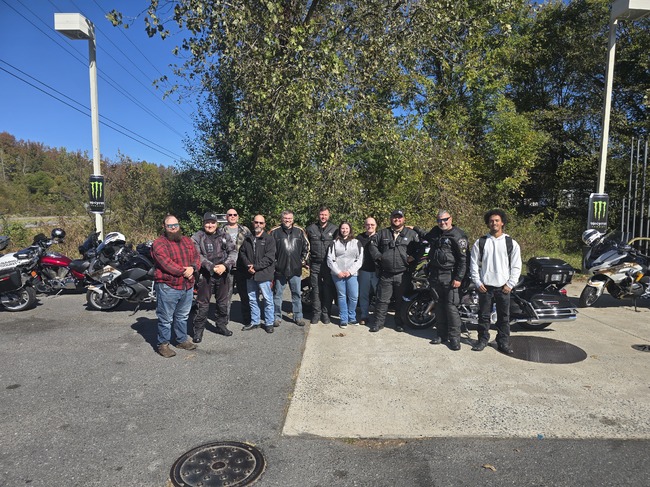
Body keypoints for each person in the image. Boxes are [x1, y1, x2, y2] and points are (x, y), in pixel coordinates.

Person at [469, 208, 522, 354]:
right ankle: (482, 340)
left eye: (497, 220)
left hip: (503, 287)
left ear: (502, 222)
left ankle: (503, 342)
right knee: (483, 316)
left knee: (504, 317)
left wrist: (510, 284)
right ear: (488, 223)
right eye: (491, 221)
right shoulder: (481, 242)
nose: (494, 223)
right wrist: (478, 282)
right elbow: (473, 264)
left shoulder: (511, 243)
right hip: (485, 287)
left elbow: (516, 265)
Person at [151, 215, 201, 358]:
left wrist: (193, 268)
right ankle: (163, 344)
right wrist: (185, 271)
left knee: (182, 316)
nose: (173, 228)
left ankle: (181, 340)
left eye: (176, 225)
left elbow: (197, 257)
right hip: (168, 286)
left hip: (187, 285)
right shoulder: (159, 243)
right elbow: (166, 263)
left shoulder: (187, 240)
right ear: (164, 227)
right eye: (170, 226)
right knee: (166, 318)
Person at [422, 210, 469, 351]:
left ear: (451, 219)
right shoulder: (436, 232)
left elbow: (463, 260)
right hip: (435, 274)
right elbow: (425, 235)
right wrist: (414, 228)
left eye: (445, 219)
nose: (442, 222)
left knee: (451, 307)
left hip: (450, 275)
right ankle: (441, 335)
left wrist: (458, 278)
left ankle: (454, 338)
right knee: (439, 306)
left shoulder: (458, 235)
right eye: (439, 220)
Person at [368, 209, 419, 333]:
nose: (397, 219)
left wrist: (414, 257)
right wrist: (379, 256)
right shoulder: (383, 233)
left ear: (403, 219)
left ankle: (399, 323)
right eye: (395, 217)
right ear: (391, 219)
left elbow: (422, 247)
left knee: (401, 300)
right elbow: (372, 245)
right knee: (382, 300)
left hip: (403, 274)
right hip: (386, 273)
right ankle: (378, 323)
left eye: (399, 217)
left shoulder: (411, 234)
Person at [191, 212, 237, 343]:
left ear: (216, 224)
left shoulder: (224, 235)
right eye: (207, 222)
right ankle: (198, 330)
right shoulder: (197, 237)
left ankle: (221, 325)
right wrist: (211, 267)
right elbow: (197, 256)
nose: (210, 225)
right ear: (203, 223)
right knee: (202, 305)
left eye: (212, 222)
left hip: (223, 274)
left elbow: (233, 252)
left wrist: (225, 265)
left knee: (223, 303)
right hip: (205, 275)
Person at [270, 210, 310, 327]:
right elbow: (269, 250)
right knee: (277, 295)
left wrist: (301, 262)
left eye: (290, 218)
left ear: (293, 219)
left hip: (295, 269)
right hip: (280, 270)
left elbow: (307, 247)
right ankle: (277, 317)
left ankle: (298, 317)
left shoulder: (299, 231)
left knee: (296, 294)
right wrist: (275, 264)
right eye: (285, 218)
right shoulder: (275, 232)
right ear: (282, 219)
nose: (287, 220)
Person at [239, 215, 276, 333]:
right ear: (253, 223)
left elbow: (269, 257)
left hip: (264, 274)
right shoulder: (248, 239)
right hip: (250, 274)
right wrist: (248, 265)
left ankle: (269, 322)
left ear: (264, 224)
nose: (258, 224)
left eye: (261, 223)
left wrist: (255, 267)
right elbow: (242, 253)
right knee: (252, 299)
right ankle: (255, 321)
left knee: (267, 299)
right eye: (256, 222)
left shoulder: (269, 239)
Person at [327, 222, 363, 328]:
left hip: (352, 274)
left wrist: (350, 271)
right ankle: (344, 318)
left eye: (347, 228)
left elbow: (359, 259)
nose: (345, 230)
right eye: (343, 228)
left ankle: (352, 317)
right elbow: (330, 259)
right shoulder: (334, 243)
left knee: (354, 296)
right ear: (340, 230)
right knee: (341, 296)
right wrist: (338, 272)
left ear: (350, 229)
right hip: (338, 275)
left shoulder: (356, 242)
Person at [306, 207, 337, 324]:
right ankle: (316, 313)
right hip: (315, 264)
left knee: (328, 289)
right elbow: (305, 246)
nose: (323, 217)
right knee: (315, 289)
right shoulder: (310, 229)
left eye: (325, 215)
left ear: (329, 216)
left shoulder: (334, 229)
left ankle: (326, 313)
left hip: (329, 265)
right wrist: (306, 262)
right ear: (318, 215)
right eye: (321, 214)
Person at [224, 208, 252, 327]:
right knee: (226, 296)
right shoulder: (220, 231)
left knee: (245, 295)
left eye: (235, 214)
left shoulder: (245, 230)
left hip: (242, 267)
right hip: (227, 268)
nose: (232, 216)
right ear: (226, 217)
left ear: (238, 216)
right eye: (230, 214)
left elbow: (251, 247)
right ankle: (224, 320)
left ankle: (247, 319)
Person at [356, 217, 378, 326]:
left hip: (377, 271)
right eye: (368, 224)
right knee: (363, 294)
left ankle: (378, 316)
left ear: (376, 226)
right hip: (364, 270)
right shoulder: (359, 238)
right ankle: (364, 315)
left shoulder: (380, 236)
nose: (370, 226)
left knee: (379, 294)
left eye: (372, 224)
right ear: (365, 225)